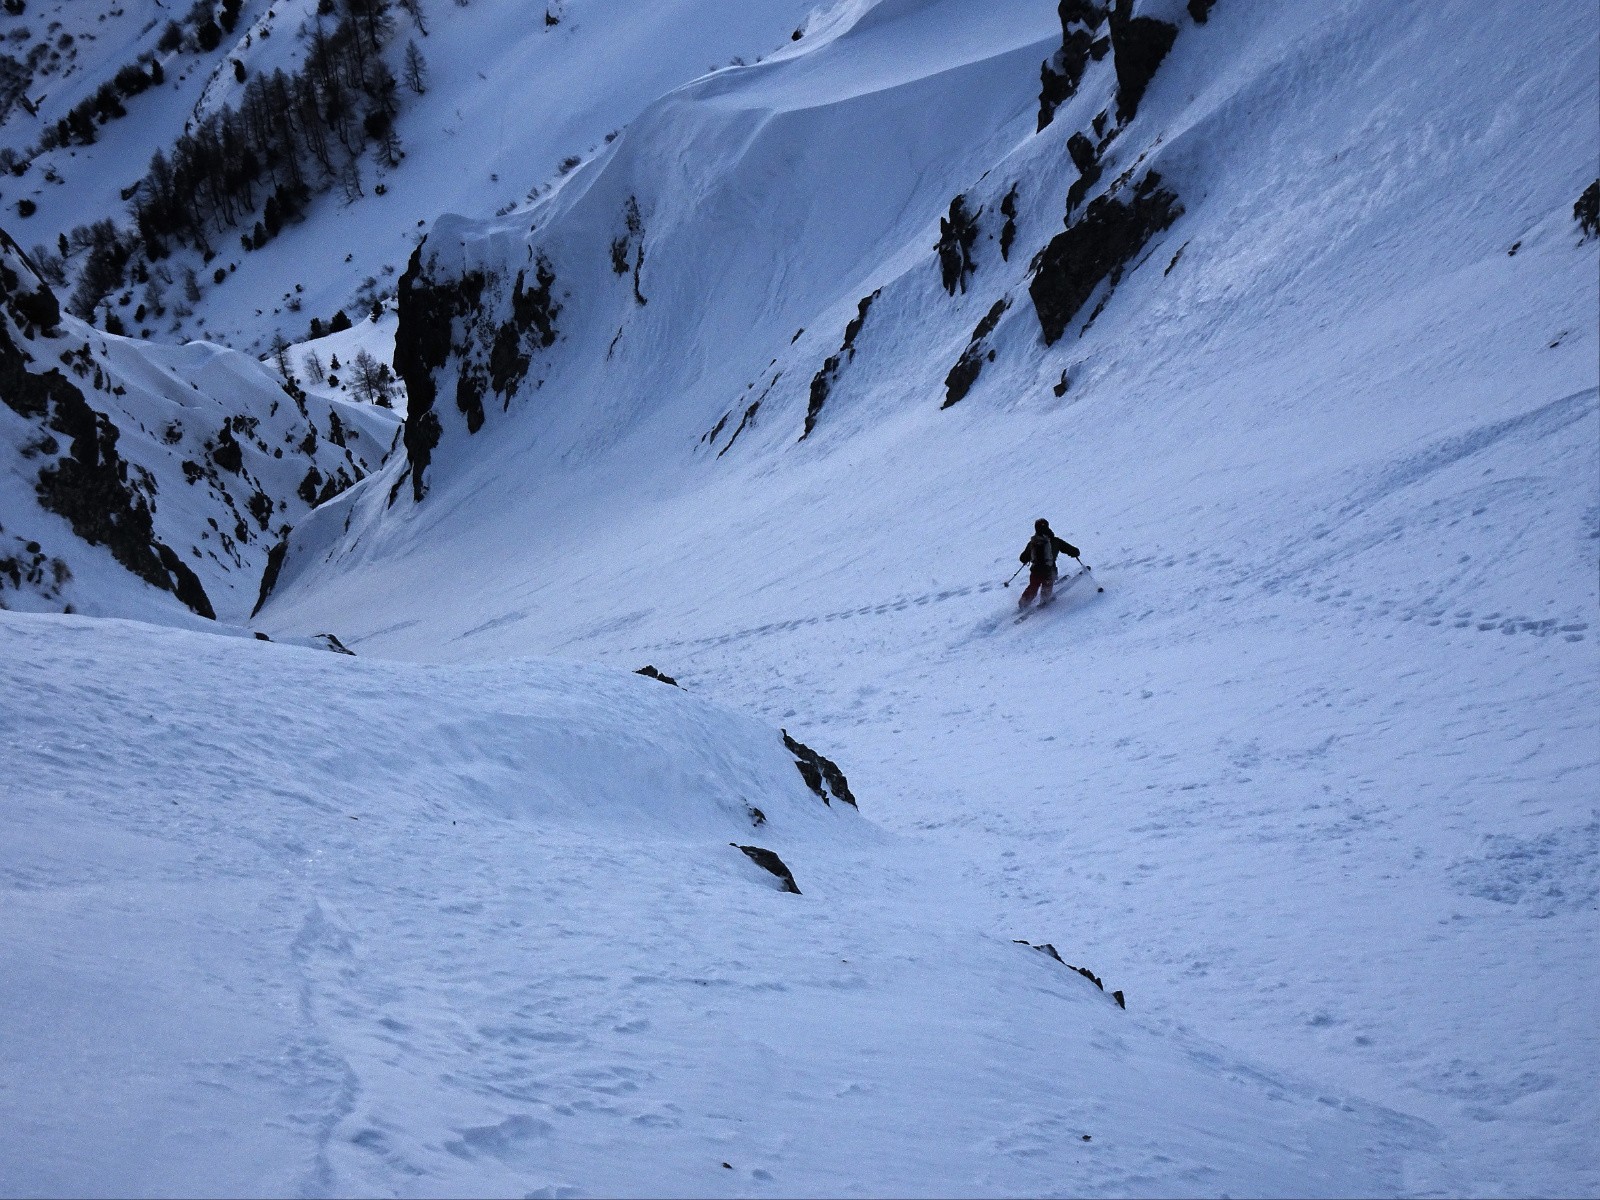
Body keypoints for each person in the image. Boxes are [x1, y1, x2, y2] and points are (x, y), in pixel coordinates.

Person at [1017, 518, 1079, 608]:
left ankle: (1023, 602)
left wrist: (1029, 557)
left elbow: (1023, 558)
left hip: (1035, 571)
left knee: (1033, 586)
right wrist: (1075, 553)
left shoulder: (1033, 542)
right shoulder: (1055, 541)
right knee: (1047, 586)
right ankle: (1044, 600)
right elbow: (1073, 551)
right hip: (1049, 571)